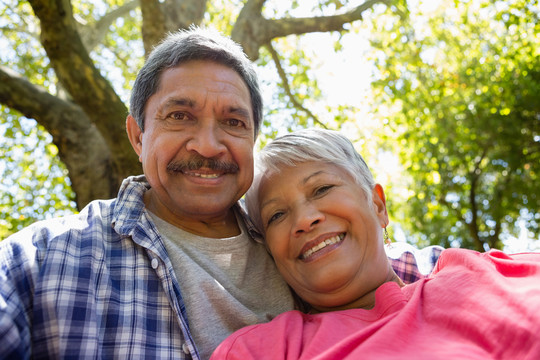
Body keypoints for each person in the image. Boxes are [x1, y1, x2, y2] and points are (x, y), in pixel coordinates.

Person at [0, 28, 438, 359]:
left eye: (233, 122)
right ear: (137, 136)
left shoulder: (302, 240)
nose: (208, 146)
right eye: (179, 116)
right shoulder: (44, 260)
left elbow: (434, 280)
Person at [211, 129, 540, 359]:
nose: (303, 220)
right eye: (277, 215)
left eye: (322, 189)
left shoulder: (488, 274)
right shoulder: (260, 350)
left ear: (379, 206)